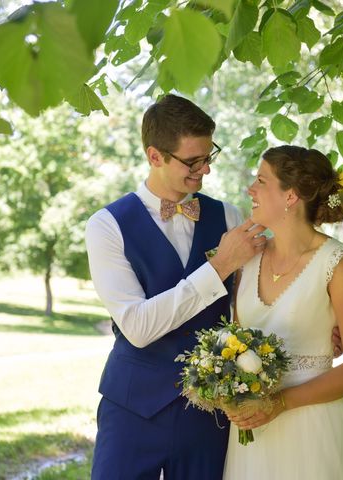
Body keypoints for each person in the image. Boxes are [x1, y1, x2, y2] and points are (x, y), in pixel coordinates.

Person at [85, 94, 267, 480]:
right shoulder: (106, 226)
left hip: (210, 411)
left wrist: (319, 324)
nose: (205, 171)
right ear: (155, 156)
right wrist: (217, 267)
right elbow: (137, 327)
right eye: (192, 161)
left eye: (208, 157)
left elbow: (255, 299)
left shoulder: (227, 215)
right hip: (132, 407)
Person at [223, 145, 343, 479]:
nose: (251, 189)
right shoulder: (247, 259)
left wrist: (279, 404)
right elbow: (234, 347)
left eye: (261, 181)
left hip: (313, 427)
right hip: (255, 436)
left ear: (290, 196)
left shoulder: (336, 262)